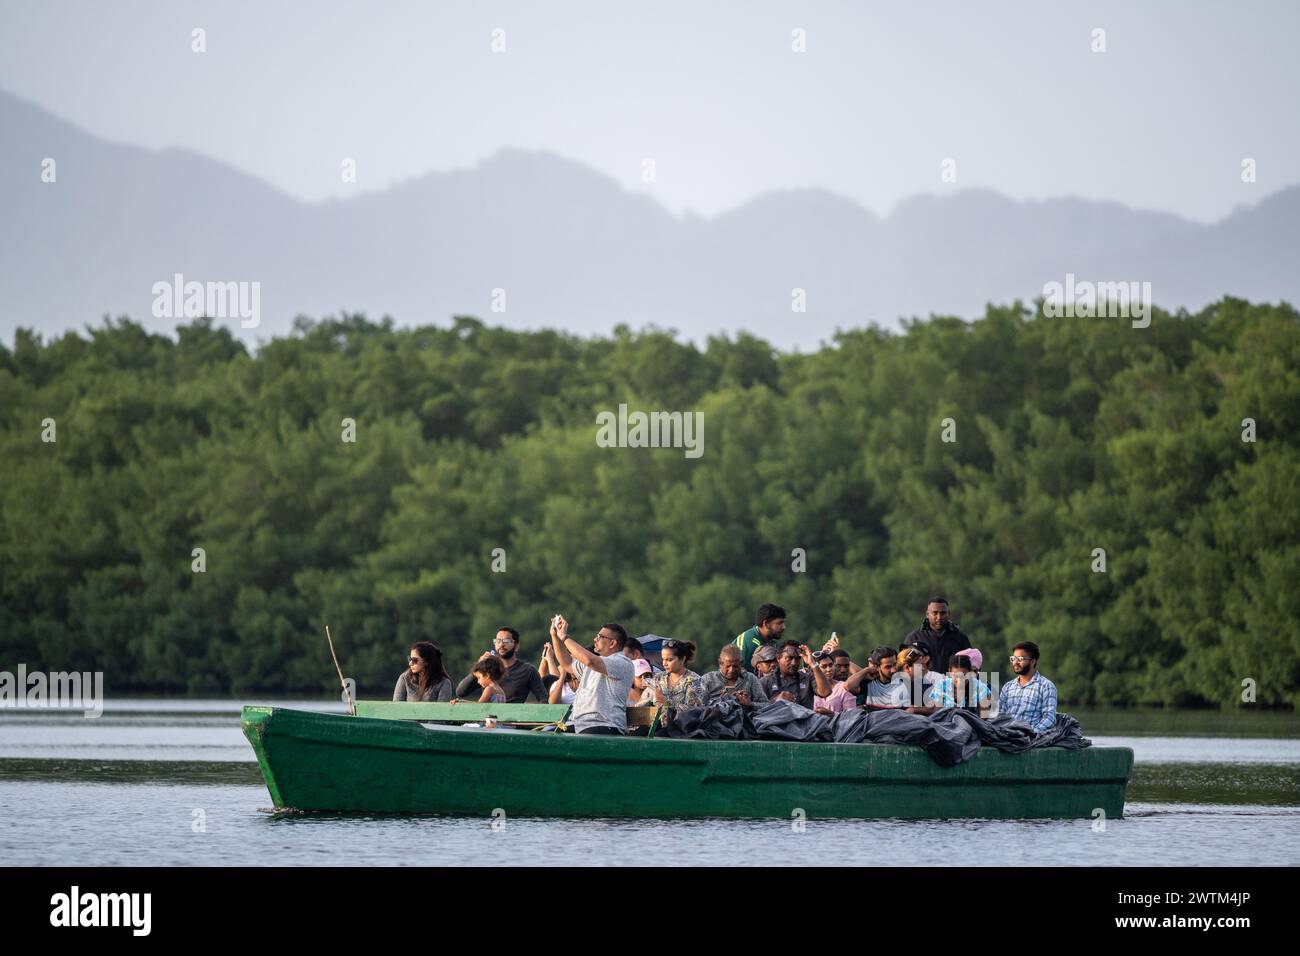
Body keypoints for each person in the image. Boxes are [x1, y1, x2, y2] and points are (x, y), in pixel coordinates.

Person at [549, 614, 636, 735]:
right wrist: (555, 636)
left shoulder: (622, 662)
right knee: (551, 736)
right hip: (583, 725)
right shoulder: (596, 663)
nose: (595, 639)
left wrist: (564, 637)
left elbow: (590, 660)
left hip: (604, 726)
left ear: (612, 643)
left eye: (600, 637)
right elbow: (567, 663)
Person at [455, 626, 548, 703]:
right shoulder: (489, 669)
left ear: (516, 646)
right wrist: (479, 666)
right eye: (498, 641)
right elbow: (461, 692)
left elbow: (543, 698)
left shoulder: (528, 670)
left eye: (506, 641)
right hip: (487, 719)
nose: (501, 645)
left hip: (512, 721)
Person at [998, 641, 1058, 733]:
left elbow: (1049, 719)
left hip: (1030, 737)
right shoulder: (1008, 687)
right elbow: (999, 716)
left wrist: (1032, 732)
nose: (1015, 662)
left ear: (1033, 661)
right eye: (1013, 658)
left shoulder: (1046, 686)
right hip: (1006, 735)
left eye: (1020, 659)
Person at [904, 596, 972, 673]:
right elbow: (904, 666)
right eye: (935, 613)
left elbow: (970, 666)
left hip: (952, 683)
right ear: (927, 614)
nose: (939, 617)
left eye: (943, 613)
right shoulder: (914, 637)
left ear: (948, 614)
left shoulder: (960, 638)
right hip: (922, 683)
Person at [760, 640, 833, 710]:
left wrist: (813, 663)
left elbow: (826, 692)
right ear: (778, 658)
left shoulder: (807, 678)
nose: (794, 663)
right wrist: (776, 701)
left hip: (804, 721)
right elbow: (757, 709)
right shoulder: (766, 681)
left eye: (797, 658)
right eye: (789, 658)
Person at [698, 645, 768, 710]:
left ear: (741, 664)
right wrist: (720, 701)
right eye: (728, 666)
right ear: (720, 663)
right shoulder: (708, 680)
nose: (731, 670)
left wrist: (750, 704)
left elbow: (766, 705)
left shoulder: (750, 678)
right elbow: (698, 707)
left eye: (735, 666)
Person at [651, 639, 705, 719]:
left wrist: (665, 702)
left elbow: (694, 712)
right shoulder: (659, 678)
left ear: (682, 659)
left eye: (669, 660)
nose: (664, 663)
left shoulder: (693, 681)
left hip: (683, 728)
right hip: (657, 725)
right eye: (663, 659)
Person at [843, 645, 910, 709]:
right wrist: (867, 670)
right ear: (877, 667)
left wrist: (913, 710)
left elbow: (919, 703)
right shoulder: (869, 684)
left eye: (894, 665)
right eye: (888, 667)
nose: (893, 670)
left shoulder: (905, 682)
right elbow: (848, 686)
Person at [732, 603, 787, 673]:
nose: (783, 627)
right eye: (779, 623)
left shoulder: (768, 640)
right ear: (766, 624)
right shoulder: (751, 643)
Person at [896, 647, 943, 715]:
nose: (923, 668)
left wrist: (914, 709)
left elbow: (936, 708)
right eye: (919, 665)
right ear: (907, 667)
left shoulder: (923, 683)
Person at [812, 649, 857, 714]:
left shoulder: (844, 688)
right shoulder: (807, 687)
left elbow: (852, 715)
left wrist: (832, 714)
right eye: (824, 666)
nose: (829, 669)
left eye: (831, 665)